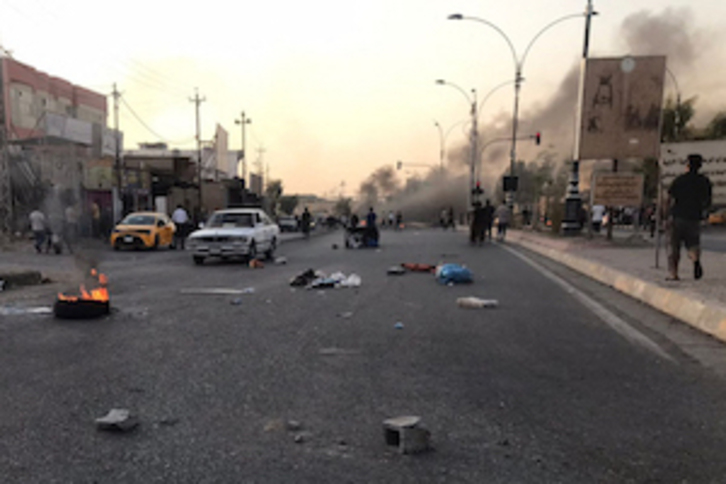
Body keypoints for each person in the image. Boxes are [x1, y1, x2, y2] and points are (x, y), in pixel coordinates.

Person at [667, 153, 712, 281]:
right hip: (694, 217)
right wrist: (704, 213)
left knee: (674, 246)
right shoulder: (704, 181)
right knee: (693, 243)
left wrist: (665, 215)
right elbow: (707, 201)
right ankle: (695, 260)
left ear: (687, 165)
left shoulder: (680, 180)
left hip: (678, 216)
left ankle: (673, 273)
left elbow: (669, 198)